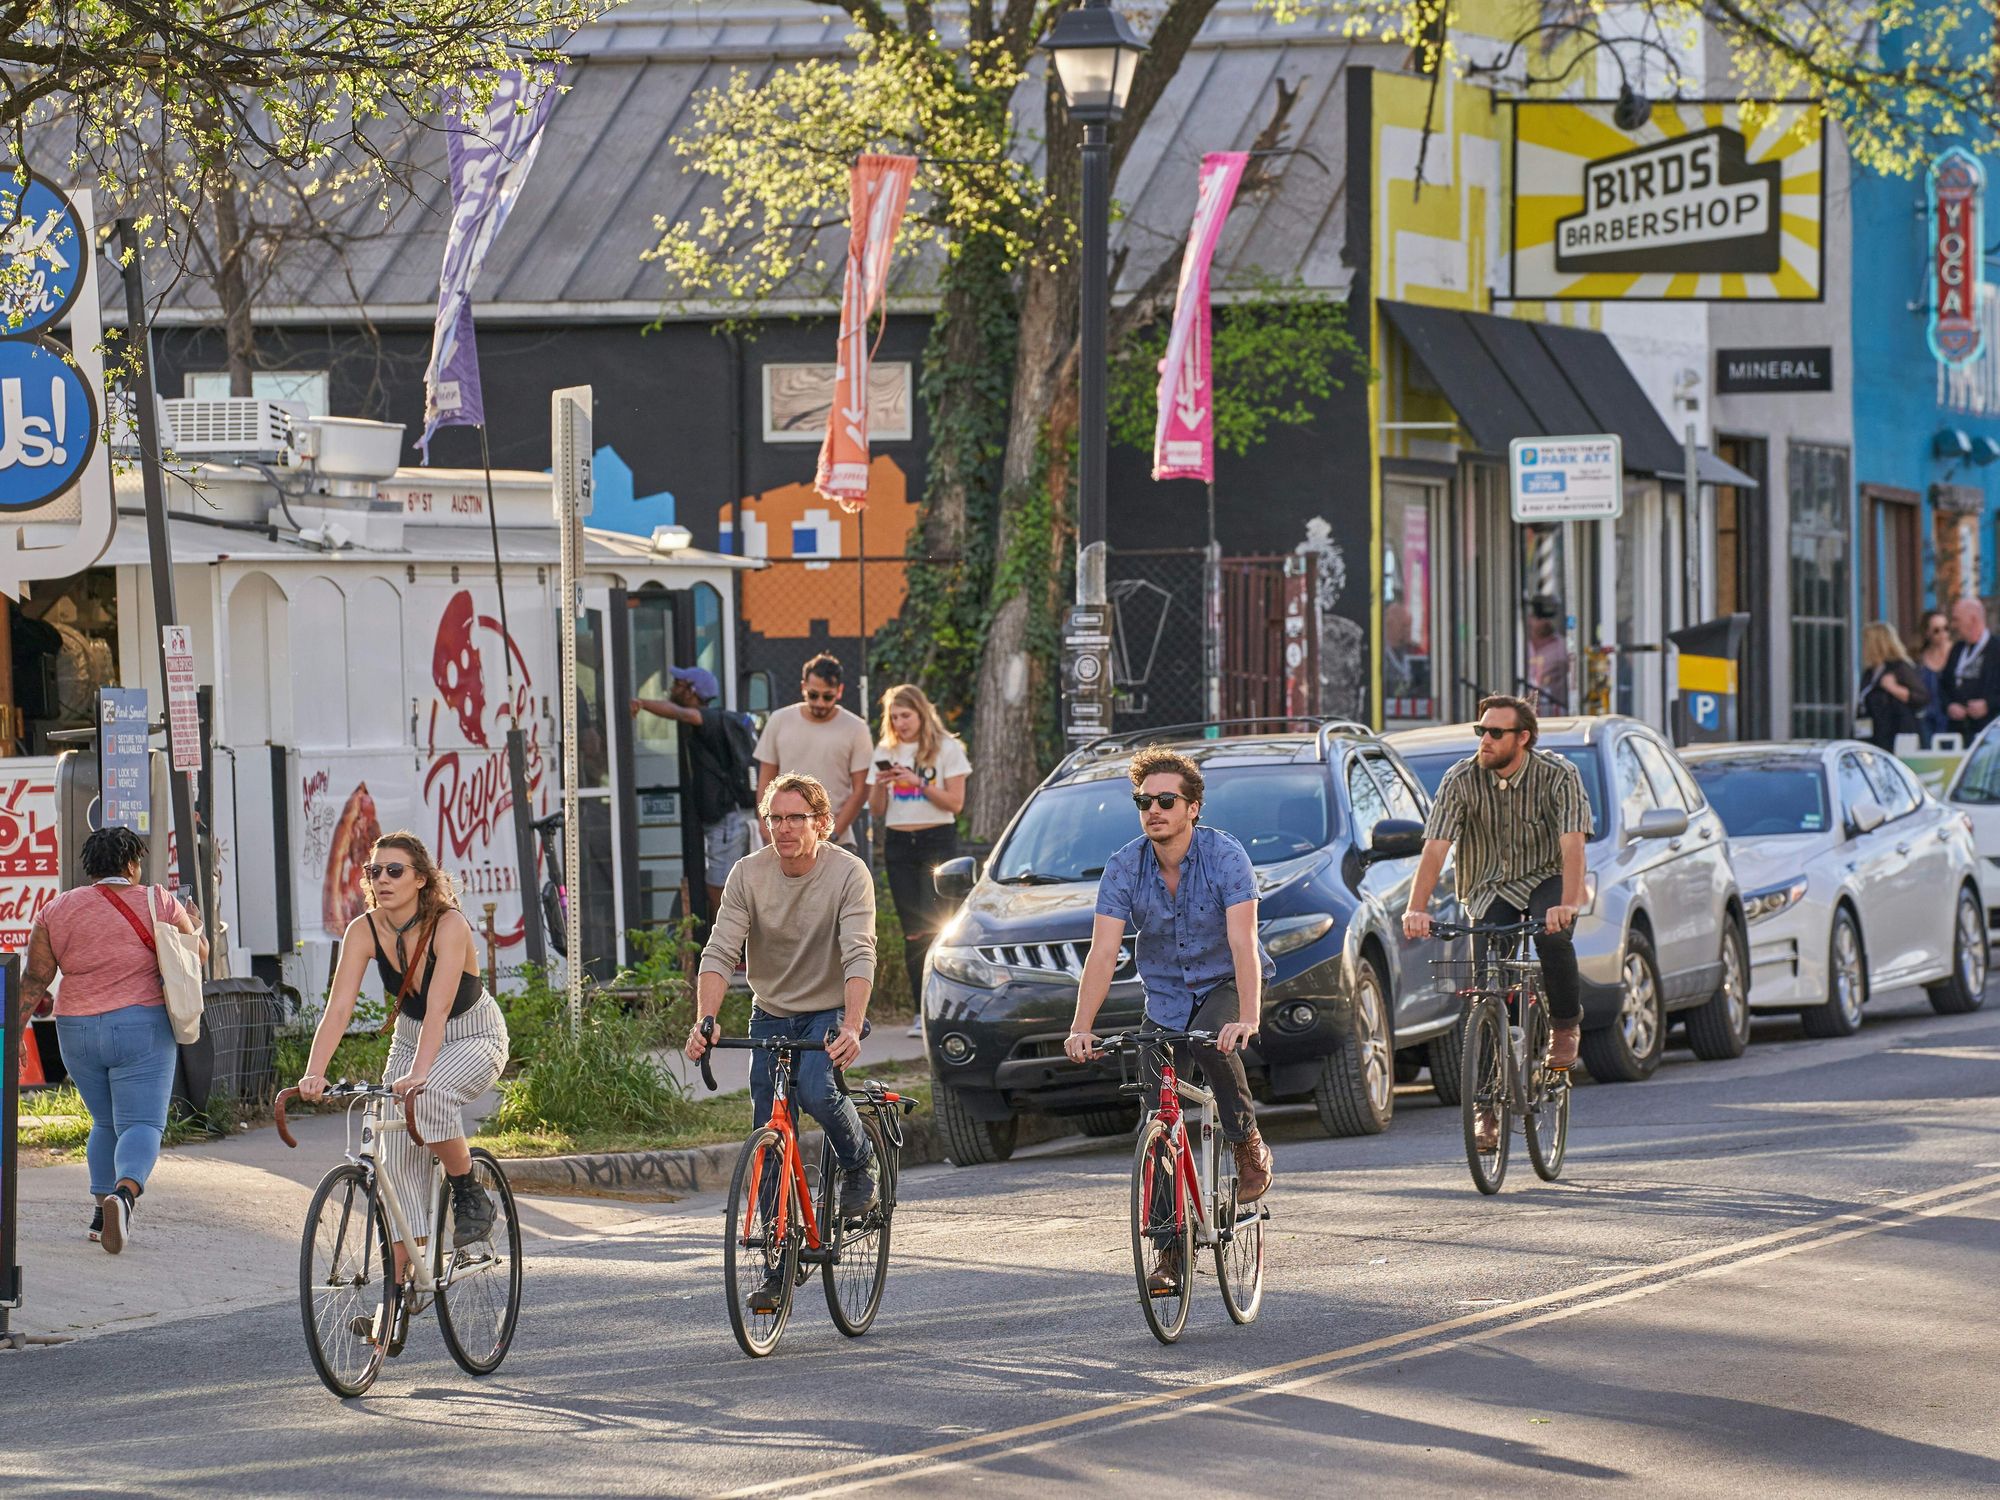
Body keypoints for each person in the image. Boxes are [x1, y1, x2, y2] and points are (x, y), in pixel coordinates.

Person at [1065, 747, 1276, 1298]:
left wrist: (1248, 1017)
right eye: (1143, 801)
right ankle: (1169, 1253)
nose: (1153, 810)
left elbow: (1242, 942)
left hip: (1227, 984)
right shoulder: (1123, 866)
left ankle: (1248, 1142)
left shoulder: (1226, 857)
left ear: (1193, 807)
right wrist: (1080, 1026)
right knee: (1157, 1122)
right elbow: (1103, 952)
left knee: (1212, 1042)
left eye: (1165, 800)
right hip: (1164, 997)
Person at [296, 832, 510, 1339]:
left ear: (420, 879)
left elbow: (438, 1008)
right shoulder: (363, 930)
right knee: (395, 1162)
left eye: (395, 871)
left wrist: (420, 1073)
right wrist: (314, 1071)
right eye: (375, 872)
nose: (383, 880)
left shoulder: (449, 925)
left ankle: (467, 1190)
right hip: (411, 1038)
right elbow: (339, 1007)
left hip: (473, 1032)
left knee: (430, 1094)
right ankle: (395, 1307)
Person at [685, 772, 879, 1314]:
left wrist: (851, 1026)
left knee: (817, 1091)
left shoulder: (848, 873)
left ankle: (860, 1163)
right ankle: (777, 1262)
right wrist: (706, 1018)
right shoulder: (749, 874)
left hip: (830, 1006)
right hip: (771, 1009)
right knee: (768, 1125)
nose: (785, 829)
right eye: (776, 818)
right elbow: (721, 950)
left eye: (797, 818)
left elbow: (860, 952)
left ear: (821, 823)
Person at [1401, 695, 1590, 1148]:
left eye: (1495, 733)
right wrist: (1416, 907)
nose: (1484, 740)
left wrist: (1567, 904)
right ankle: (1487, 1108)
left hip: (1546, 876)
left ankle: (1564, 1025)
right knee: (1485, 988)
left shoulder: (1558, 775)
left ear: (1522, 738)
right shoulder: (1461, 779)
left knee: (1553, 938)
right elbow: (1436, 849)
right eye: (1480, 731)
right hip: (1488, 886)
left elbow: (1573, 844)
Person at [19, 827, 207, 1253]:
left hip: (77, 1030)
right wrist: (194, 925)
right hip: (141, 1025)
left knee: (104, 1123)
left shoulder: (55, 910)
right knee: (140, 1124)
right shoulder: (157, 899)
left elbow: (36, 978)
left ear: (90, 868)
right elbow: (197, 954)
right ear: (131, 865)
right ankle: (123, 1197)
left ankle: (99, 1216)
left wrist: (14, 1031)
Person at [869, 684, 970, 1037]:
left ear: (922, 713)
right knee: (912, 930)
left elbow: (955, 803)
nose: (900, 723)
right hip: (899, 841)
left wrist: (917, 782)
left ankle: (949, 1006)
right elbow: (878, 810)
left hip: (936, 839)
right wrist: (881, 783)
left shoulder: (946, 748)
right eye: (894, 717)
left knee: (942, 924)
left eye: (906, 715)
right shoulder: (886, 749)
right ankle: (920, 1010)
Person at [631, 665, 757, 914]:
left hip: (726, 820)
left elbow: (683, 714)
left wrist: (641, 703)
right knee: (720, 885)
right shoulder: (712, 724)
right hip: (721, 819)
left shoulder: (709, 719)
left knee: (719, 887)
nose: (673, 687)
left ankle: (735, 946)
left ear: (692, 691)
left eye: (679, 683)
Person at [754, 653, 875, 855]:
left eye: (827, 696)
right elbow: (765, 781)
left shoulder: (856, 728)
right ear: (803, 687)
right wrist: (766, 827)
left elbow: (862, 789)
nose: (819, 702)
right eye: (813, 695)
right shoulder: (779, 720)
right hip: (786, 837)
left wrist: (833, 833)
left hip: (836, 841)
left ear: (840, 691)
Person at [1858, 621, 1928, 750]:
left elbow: (1921, 698)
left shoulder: (1899, 667)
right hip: (1872, 735)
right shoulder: (1869, 673)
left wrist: (1894, 688)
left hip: (1896, 736)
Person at [1943, 597, 2000, 740]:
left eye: (1957, 619)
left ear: (1973, 620)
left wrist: (1988, 705)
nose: (1953, 625)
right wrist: (1949, 705)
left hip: (1990, 732)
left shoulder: (1996, 649)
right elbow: (1943, 685)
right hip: (1958, 732)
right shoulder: (1957, 650)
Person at [1523, 595, 1570, 714]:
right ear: (1530, 618)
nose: (1546, 621)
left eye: (1549, 617)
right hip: (1524, 711)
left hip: (1554, 711)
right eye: (1540, 617)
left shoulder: (1563, 647)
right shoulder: (1521, 646)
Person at [1914, 609, 1953, 747]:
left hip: (1951, 719)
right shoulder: (1920, 659)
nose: (1943, 634)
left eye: (1946, 628)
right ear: (1927, 633)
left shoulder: (1958, 655)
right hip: (1927, 719)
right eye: (1937, 630)